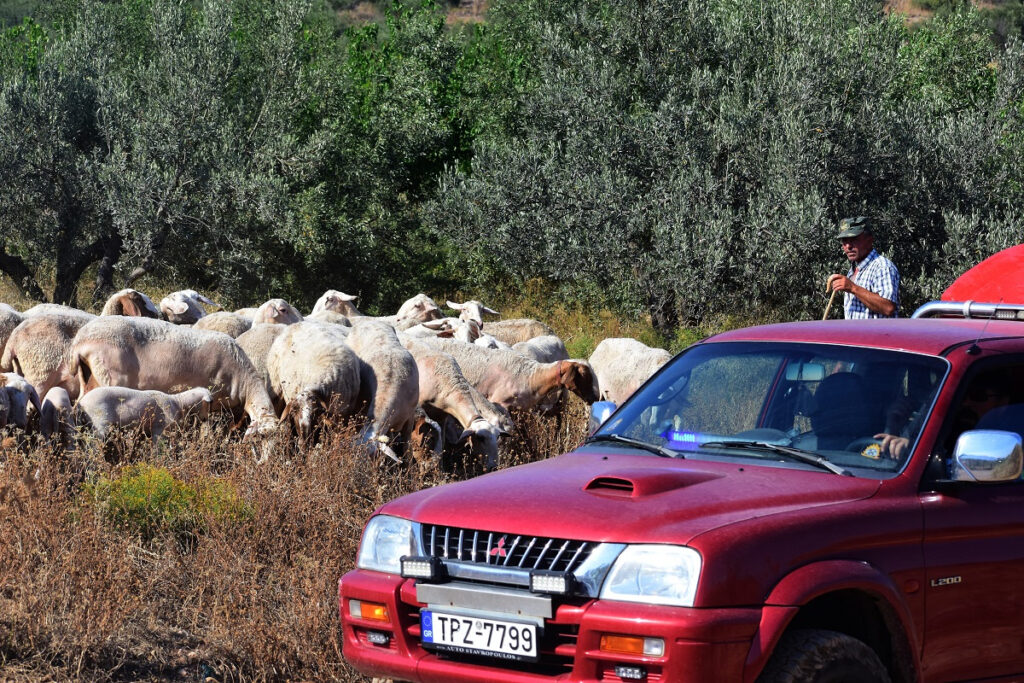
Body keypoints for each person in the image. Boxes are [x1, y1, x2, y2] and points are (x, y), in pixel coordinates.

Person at [827, 216, 900, 319]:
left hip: (877, 335)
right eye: (844, 241)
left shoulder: (883, 267)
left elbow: (888, 307)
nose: (848, 246)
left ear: (869, 240)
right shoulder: (853, 270)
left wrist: (852, 288)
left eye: (853, 239)